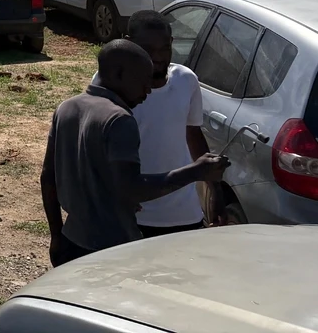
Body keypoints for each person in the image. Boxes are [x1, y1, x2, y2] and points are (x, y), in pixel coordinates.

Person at [40, 39, 229, 267]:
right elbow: (132, 189)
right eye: (142, 81)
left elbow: (48, 178)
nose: (148, 90)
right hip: (112, 251)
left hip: (72, 241)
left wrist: (56, 235)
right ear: (119, 74)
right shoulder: (119, 119)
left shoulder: (67, 107)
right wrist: (197, 171)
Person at [119, 10, 213, 235]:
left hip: (184, 214)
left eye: (164, 48)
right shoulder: (113, 83)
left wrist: (214, 187)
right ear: (129, 43)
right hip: (133, 215)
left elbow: (193, 134)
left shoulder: (186, 80)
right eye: (148, 50)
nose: (158, 57)